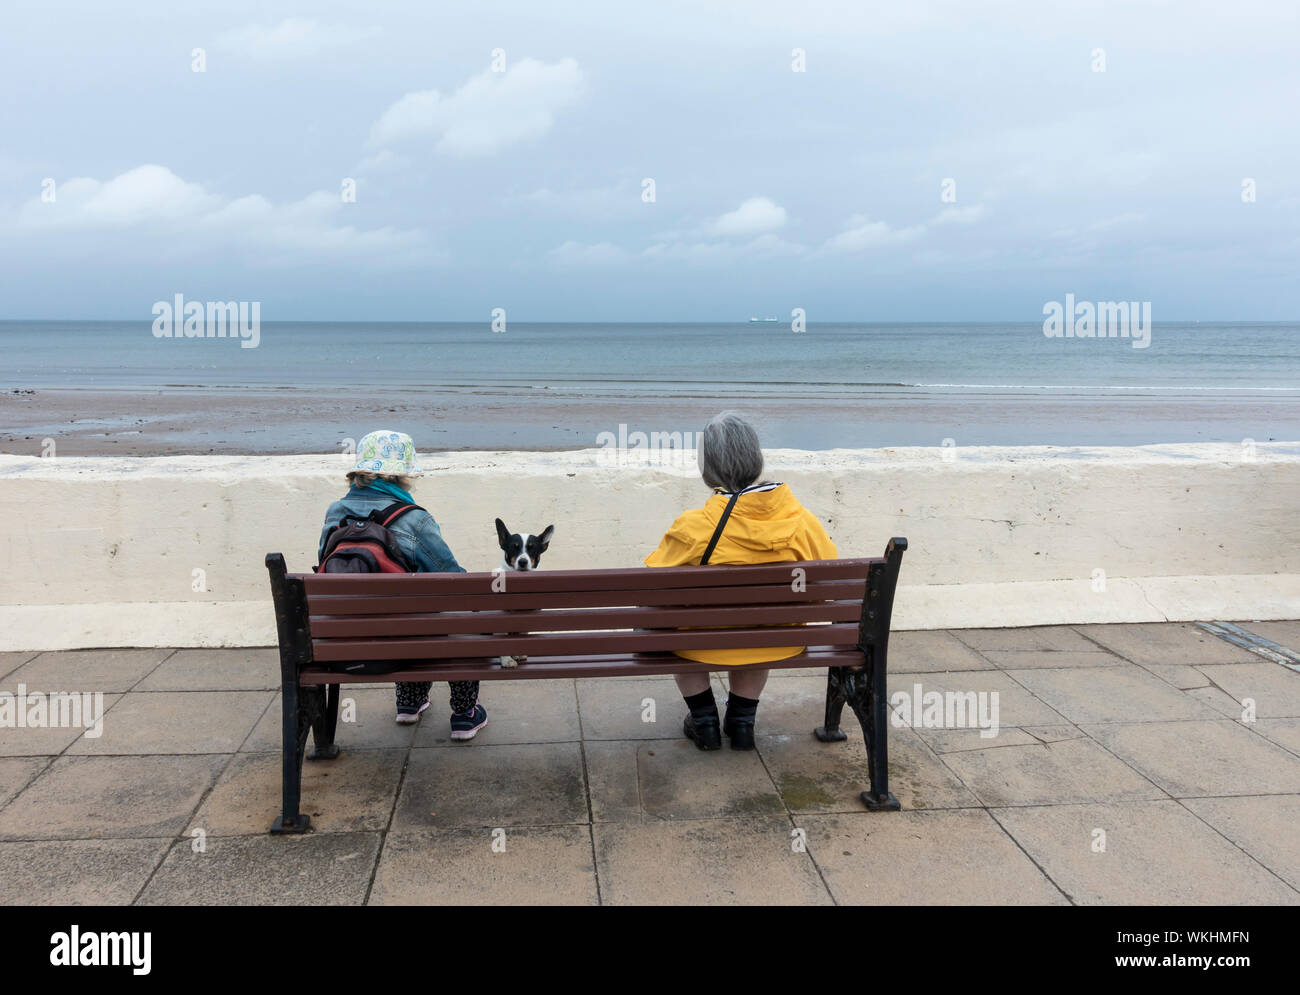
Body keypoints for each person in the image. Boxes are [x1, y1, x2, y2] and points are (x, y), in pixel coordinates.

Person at [645, 412, 837, 750]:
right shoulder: (802, 521)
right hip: (775, 638)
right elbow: (828, 579)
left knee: (667, 624)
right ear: (755, 458)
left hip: (702, 641)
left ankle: (704, 721)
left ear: (708, 467)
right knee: (760, 627)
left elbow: (652, 587)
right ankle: (742, 721)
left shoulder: (693, 526)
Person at [318, 430, 488, 738]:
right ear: (403, 476)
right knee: (460, 615)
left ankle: (410, 703)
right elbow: (453, 581)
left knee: (403, 613)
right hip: (402, 647)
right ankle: (464, 714)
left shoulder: (334, 514)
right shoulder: (414, 520)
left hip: (342, 647)